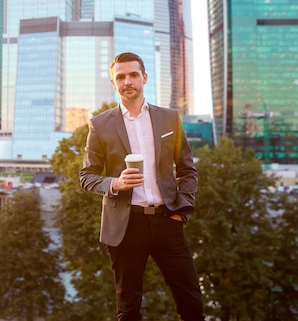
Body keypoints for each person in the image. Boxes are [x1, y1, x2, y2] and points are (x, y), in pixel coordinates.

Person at [79, 52, 205, 320]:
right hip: (125, 226)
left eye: (133, 75)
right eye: (120, 77)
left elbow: (187, 170)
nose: (128, 81)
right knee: (128, 308)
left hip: (167, 220)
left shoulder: (169, 118)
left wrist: (181, 212)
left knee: (192, 303)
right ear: (114, 83)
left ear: (144, 78)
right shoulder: (100, 125)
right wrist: (116, 182)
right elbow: (86, 176)